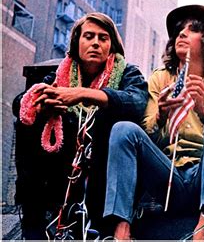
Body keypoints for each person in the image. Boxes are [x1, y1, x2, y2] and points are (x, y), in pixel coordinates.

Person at [103, 5, 204, 240]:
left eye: (193, 29)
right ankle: (121, 228)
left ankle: (203, 223)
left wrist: (203, 110)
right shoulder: (160, 77)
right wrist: (161, 115)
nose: (182, 34)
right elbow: (147, 136)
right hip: (169, 174)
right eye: (180, 29)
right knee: (123, 129)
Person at [14, 12, 148, 239]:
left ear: (111, 46)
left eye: (103, 38)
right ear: (77, 43)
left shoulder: (127, 72)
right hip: (62, 166)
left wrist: (82, 95)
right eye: (89, 36)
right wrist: (45, 104)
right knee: (30, 121)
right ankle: (33, 215)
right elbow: (21, 102)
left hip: (104, 166)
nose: (96, 42)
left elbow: (136, 102)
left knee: (113, 120)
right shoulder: (60, 74)